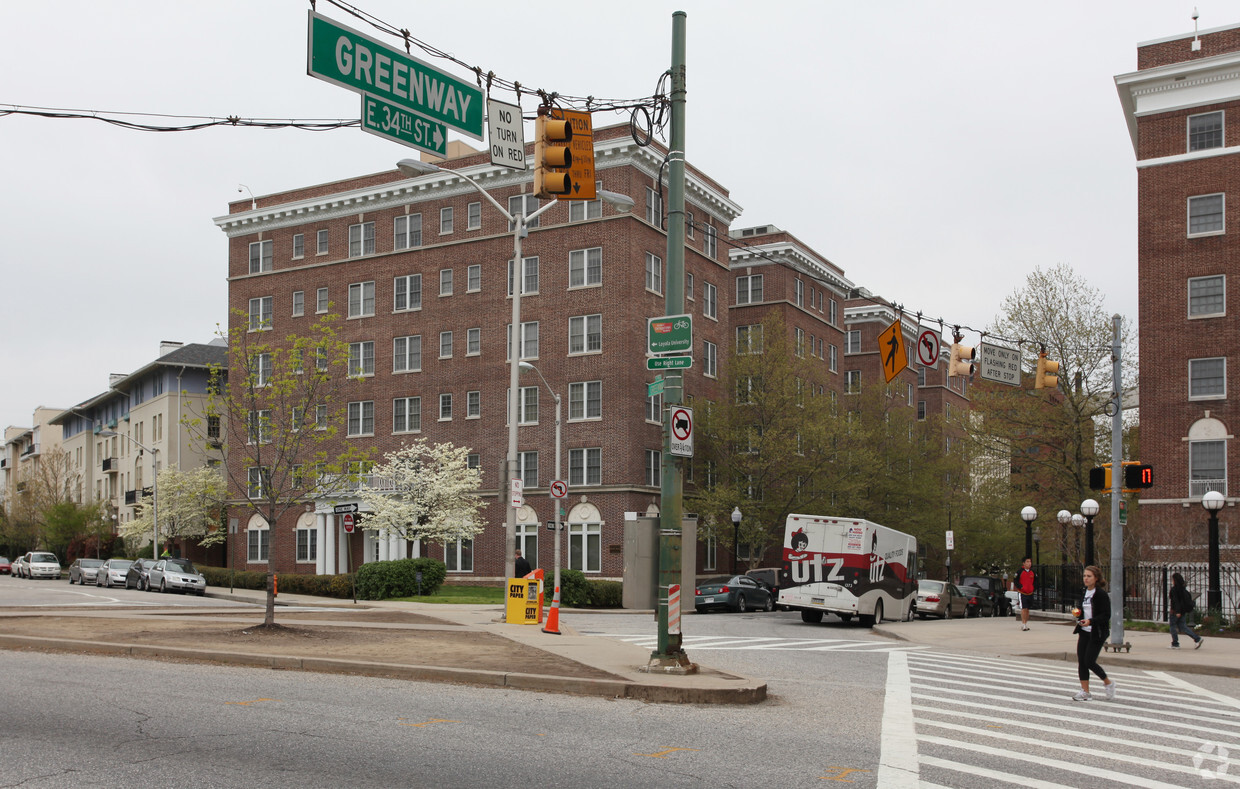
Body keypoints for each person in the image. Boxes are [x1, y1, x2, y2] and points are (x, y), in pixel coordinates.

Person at [1072, 565, 1116, 702]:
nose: (1086, 578)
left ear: (1096, 578)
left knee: (1089, 661)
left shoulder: (1100, 594)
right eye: (1084, 576)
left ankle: (1108, 682)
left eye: (1089, 576)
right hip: (1084, 631)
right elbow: (1082, 608)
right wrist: (1078, 613)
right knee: (1082, 662)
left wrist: (1091, 621)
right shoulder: (1084, 592)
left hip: (1097, 632)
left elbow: (1106, 615)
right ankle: (1085, 691)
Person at [1169, 572, 1204, 650]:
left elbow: (1176, 601)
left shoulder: (1174, 590)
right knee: (1183, 627)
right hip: (1183, 611)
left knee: (1172, 627)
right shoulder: (1183, 589)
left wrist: (1177, 611)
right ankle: (1197, 638)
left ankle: (1175, 643)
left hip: (1175, 611)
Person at [1012, 557, 1037, 631]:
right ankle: (1023, 624)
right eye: (1027, 561)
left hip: (1030, 593)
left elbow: (1036, 581)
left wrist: (1033, 588)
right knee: (1023, 608)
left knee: (1027, 609)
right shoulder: (1019, 571)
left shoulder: (1033, 572)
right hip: (1022, 593)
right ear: (1023, 563)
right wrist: (1021, 587)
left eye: (1030, 562)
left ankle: (1026, 623)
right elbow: (1015, 580)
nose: (1029, 563)